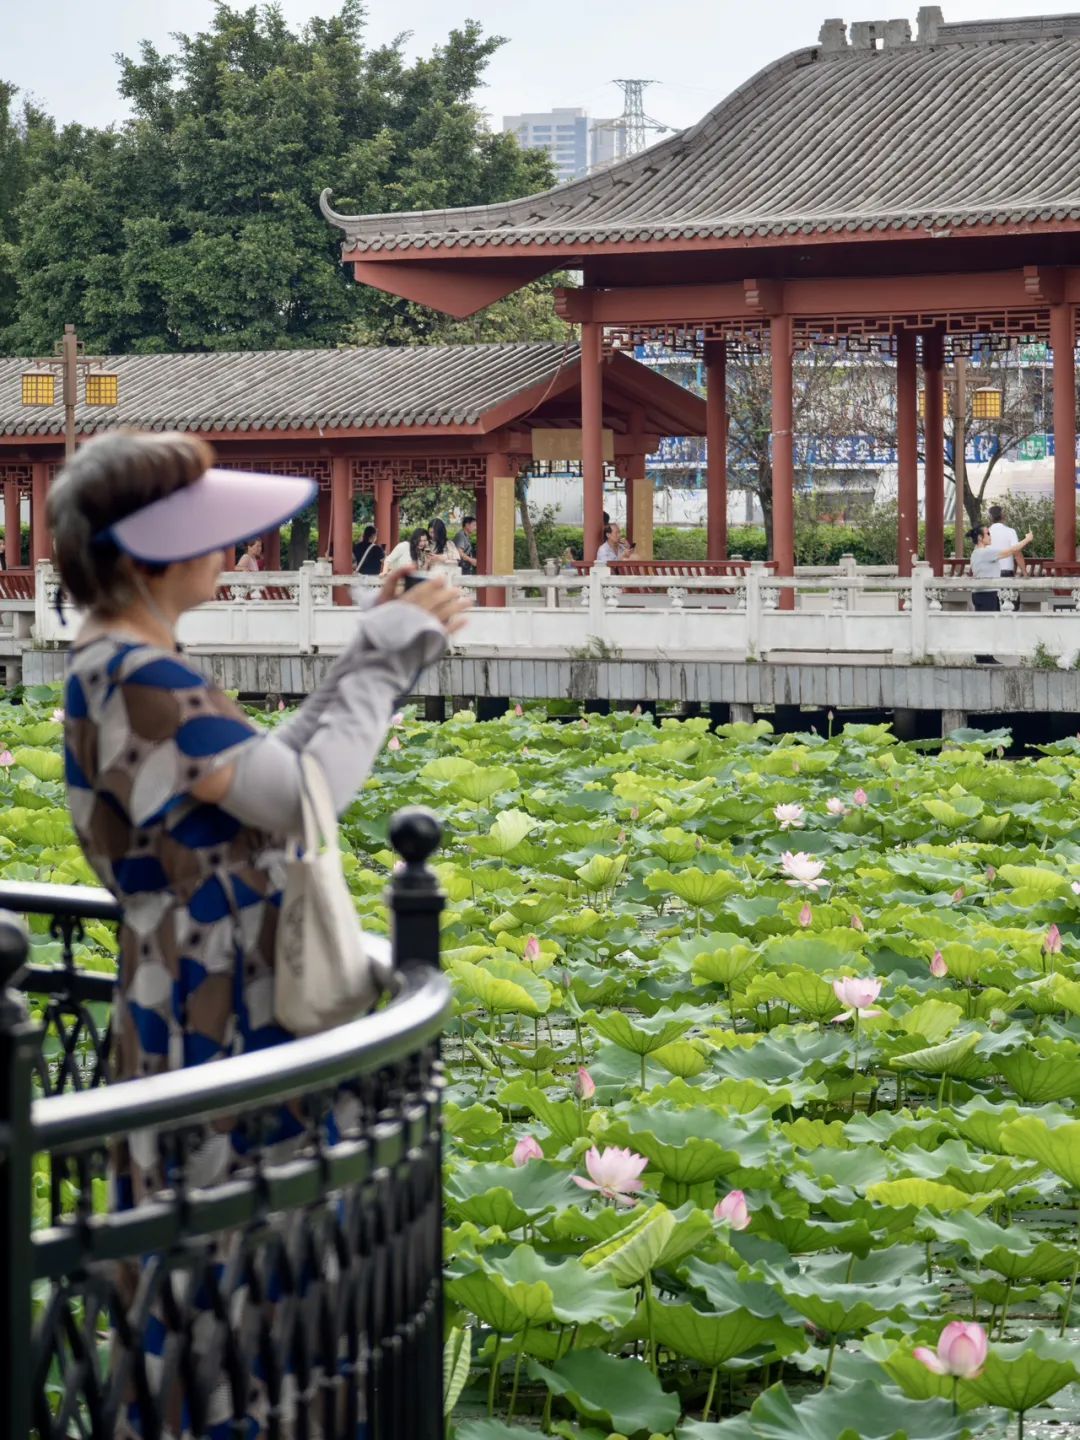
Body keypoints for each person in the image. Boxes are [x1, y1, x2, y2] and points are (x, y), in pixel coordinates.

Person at [48, 431, 469, 1434]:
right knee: (234, 1268)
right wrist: (389, 654)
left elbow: (271, 773)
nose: (231, 552)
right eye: (210, 535)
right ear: (149, 554)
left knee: (220, 1263)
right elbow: (304, 795)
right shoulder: (132, 675)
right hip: (218, 1011)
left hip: (204, 993)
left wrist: (372, 644)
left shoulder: (124, 663)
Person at [968, 522, 1033, 663]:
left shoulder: (977, 553)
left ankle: (984, 655)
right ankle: (985, 657)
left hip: (983, 593)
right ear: (980, 538)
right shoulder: (984, 553)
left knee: (987, 625)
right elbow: (1010, 551)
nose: (990, 536)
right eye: (988, 533)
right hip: (986, 593)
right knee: (988, 625)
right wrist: (1027, 540)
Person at [988, 504, 1027, 579]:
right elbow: (1017, 553)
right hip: (1006, 571)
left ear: (990, 518)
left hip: (989, 572)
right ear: (1003, 516)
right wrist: (1025, 572)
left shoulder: (985, 534)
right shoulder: (1010, 531)